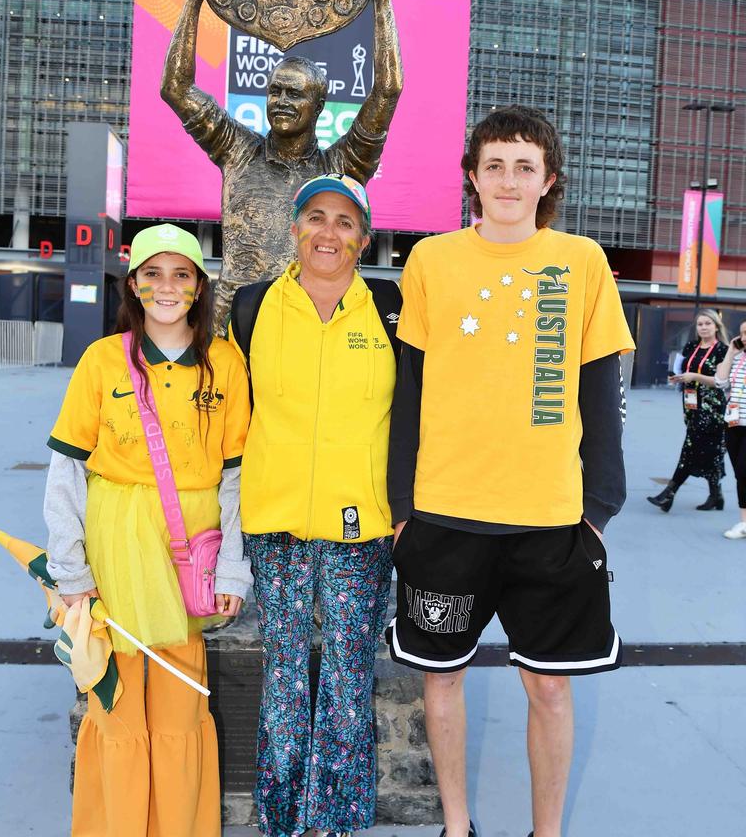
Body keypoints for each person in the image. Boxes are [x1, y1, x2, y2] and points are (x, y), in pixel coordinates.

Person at [385, 105, 634, 837]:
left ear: (548, 180)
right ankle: (457, 827)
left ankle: (545, 832)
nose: (508, 180)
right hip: (444, 518)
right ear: (472, 176)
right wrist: (402, 508)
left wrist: (600, 511)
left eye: (524, 166)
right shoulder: (431, 261)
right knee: (442, 685)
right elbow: (410, 392)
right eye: (494, 164)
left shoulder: (582, 262)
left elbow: (601, 396)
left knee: (551, 693)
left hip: (552, 525)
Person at [44, 223, 252, 837]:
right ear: (133, 285)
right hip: (114, 549)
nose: (167, 287)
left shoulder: (226, 364)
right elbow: (66, 471)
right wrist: (70, 570)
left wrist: (236, 567)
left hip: (193, 555)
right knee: (117, 704)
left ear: (198, 286)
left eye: (181, 274)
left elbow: (237, 478)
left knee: (180, 703)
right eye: (153, 274)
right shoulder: (102, 359)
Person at [229, 173, 400, 837]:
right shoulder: (251, 307)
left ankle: (336, 823)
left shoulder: (391, 309)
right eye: (316, 217)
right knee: (285, 677)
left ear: (363, 237)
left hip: (363, 527)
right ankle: (279, 821)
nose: (329, 232)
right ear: (294, 228)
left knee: (348, 682)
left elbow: (417, 415)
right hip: (276, 525)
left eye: (345, 221)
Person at [161, 0, 403, 335]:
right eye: (275, 91)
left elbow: (387, 91)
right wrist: (193, 1)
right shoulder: (237, 150)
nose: (282, 102)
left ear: (320, 104)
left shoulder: (341, 168)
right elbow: (176, 88)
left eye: (295, 94)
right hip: (231, 330)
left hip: (312, 325)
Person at [648, 310, 728, 513]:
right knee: (711, 451)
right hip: (691, 403)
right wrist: (677, 377)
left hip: (712, 408)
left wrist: (694, 376)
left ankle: (669, 494)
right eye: (700, 324)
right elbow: (681, 369)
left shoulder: (723, 350)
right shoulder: (691, 346)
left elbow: (720, 382)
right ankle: (716, 495)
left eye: (708, 323)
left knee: (690, 449)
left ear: (716, 326)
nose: (703, 327)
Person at [715, 319, 746, 538]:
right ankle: (744, 522)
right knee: (740, 475)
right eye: (742, 333)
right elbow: (720, 382)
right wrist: (730, 354)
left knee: (744, 471)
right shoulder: (738, 359)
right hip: (734, 424)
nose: (744, 338)